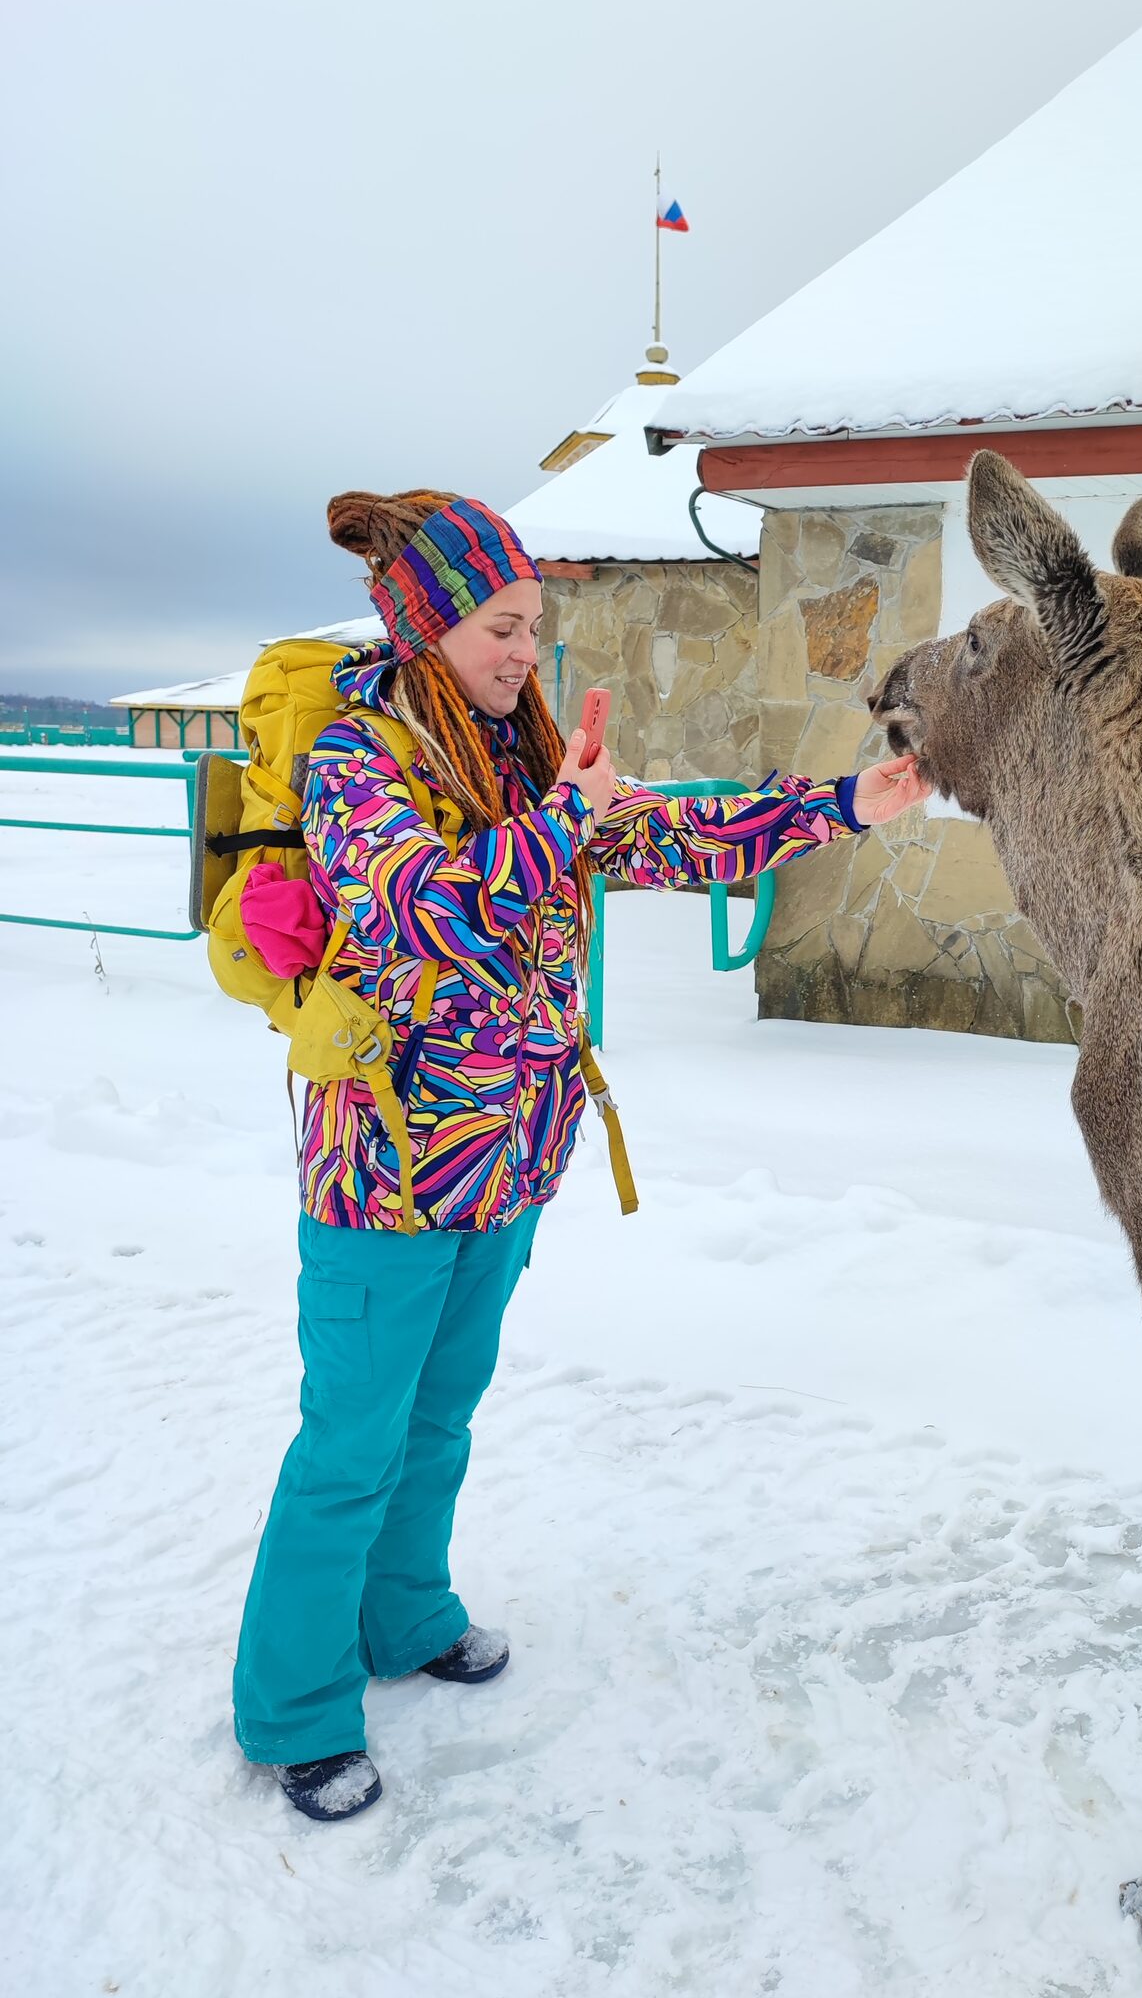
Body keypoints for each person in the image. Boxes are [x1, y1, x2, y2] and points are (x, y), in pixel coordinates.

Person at [233, 489, 930, 1820]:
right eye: (501, 627)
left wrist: (842, 804)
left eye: (533, 628)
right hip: (385, 1170)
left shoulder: (515, 748)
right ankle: (293, 1709)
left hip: (502, 1161)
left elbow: (661, 838)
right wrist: (564, 819)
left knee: (439, 1416)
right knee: (350, 1442)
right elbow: (425, 915)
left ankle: (406, 1617)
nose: (523, 652)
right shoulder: (356, 760)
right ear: (429, 624)